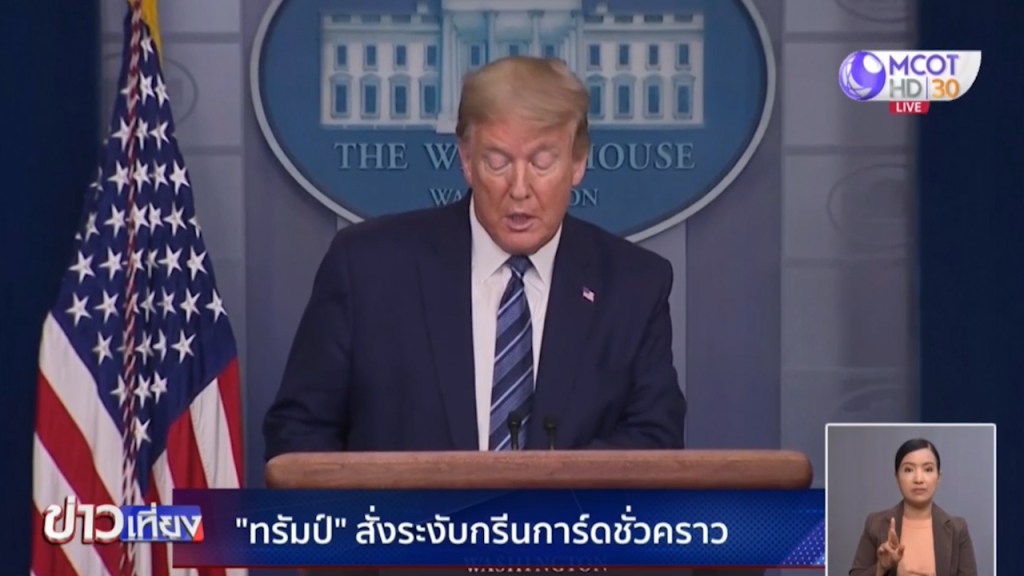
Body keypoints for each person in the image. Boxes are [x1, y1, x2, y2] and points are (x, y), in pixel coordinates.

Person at [262, 55, 687, 459]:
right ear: (466, 160)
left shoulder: (633, 286)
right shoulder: (369, 269)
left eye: (542, 163)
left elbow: (655, 437)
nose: (519, 188)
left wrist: (549, 495)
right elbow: (299, 433)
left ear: (578, 163)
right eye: (497, 162)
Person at [849, 438, 978, 576]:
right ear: (897, 477)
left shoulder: (957, 529)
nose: (918, 479)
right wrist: (881, 567)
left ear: (938, 477)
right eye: (909, 470)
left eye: (928, 469)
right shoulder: (875, 524)